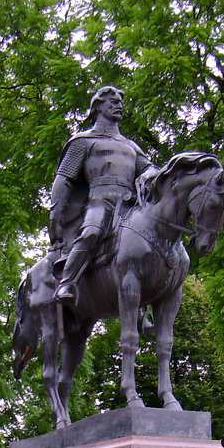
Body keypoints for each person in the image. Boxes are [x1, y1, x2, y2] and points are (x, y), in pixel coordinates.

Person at [49, 85, 155, 305]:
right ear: (98, 107)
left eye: (120, 103)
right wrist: (55, 217)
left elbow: (148, 170)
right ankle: (68, 281)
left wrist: (154, 172)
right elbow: (63, 180)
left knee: (144, 247)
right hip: (100, 201)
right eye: (112, 102)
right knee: (92, 233)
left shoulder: (131, 146)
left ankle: (143, 308)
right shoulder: (83, 141)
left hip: (130, 206)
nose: (118, 106)